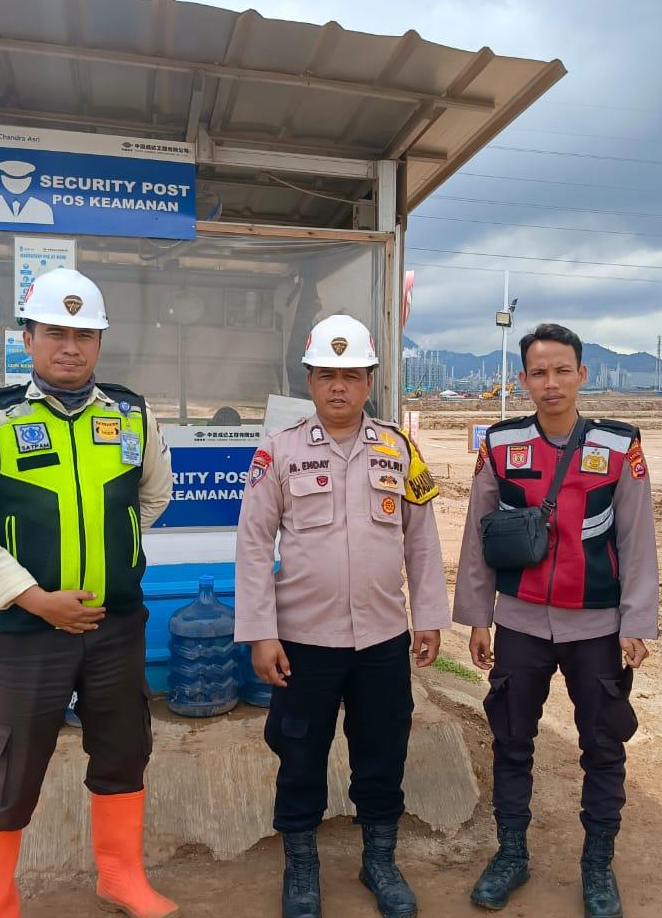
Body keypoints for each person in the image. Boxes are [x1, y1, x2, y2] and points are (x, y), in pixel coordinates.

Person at [0, 268, 179, 918]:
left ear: (99, 341)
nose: (70, 347)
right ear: (28, 338)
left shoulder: (130, 415)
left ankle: (120, 878)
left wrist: (114, 550)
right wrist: (33, 597)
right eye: (55, 333)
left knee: (123, 753)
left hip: (114, 627)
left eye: (84, 335)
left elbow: (154, 494)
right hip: (28, 633)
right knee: (8, 772)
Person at [234, 314, 451, 918]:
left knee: (383, 750)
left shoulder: (399, 449)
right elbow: (253, 544)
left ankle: (379, 858)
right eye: (327, 375)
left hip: (382, 637)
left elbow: (422, 541)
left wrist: (429, 617)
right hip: (304, 641)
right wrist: (260, 634)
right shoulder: (278, 451)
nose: (338, 386)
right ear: (309, 380)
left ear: (369, 381)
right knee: (299, 752)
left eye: (351, 375)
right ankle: (301, 864)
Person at [454, 322, 660, 918]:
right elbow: (477, 534)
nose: (551, 383)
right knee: (511, 739)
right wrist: (478, 616)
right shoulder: (501, 444)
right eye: (539, 372)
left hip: (595, 627)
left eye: (562, 371)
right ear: (523, 379)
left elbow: (638, 539)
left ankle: (597, 865)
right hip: (520, 623)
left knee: (604, 745)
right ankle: (511, 854)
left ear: (582, 375)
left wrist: (635, 622)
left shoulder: (619, 446)